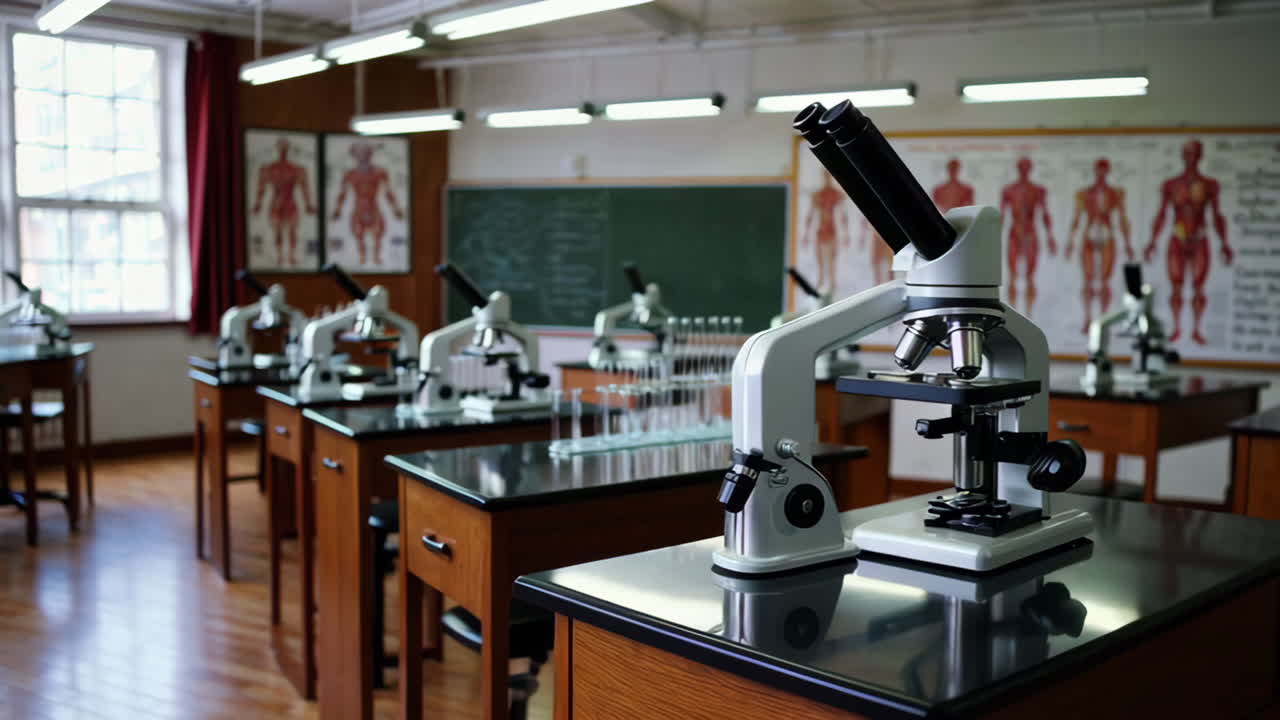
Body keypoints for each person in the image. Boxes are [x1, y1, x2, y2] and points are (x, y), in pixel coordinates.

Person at [1145, 139, 1232, 345]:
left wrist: (1224, 243)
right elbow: (1161, 214)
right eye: (1187, 153)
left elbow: (1217, 215)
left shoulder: (1210, 185)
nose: (1190, 157)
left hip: (1200, 238)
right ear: (1183, 155)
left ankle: (1196, 330)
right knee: (1176, 286)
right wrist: (1152, 241)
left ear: (1200, 156)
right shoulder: (1171, 185)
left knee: (1199, 287)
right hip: (1178, 237)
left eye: (1194, 153)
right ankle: (1176, 328)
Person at [1066, 158, 1133, 333]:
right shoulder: (1084, 193)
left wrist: (1128, 244)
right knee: (1088, 280)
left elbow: (1123, 218)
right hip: (1089, 234)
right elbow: (1077, 218)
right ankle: (1087, 319)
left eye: (1104, 170)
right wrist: (1070, 242)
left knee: (1105, 281)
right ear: (1095, 171)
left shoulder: (1116, 193)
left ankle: (1102, 320)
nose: (1101, 173)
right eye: (1099, 169)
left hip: (1107, 235)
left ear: (1108, 171)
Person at [331, 143, 404, 267]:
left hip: (374, 208)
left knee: (377, 236)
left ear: (370, 154)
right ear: (354, 155)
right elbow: (342, 193)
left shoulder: (380, 172)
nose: (363, 156)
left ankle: (377, 260)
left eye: (366, 153)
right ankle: (362, 260)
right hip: (358, 209)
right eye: (360, 153)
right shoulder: (349, 174)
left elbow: (388, 192)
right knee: (359, 236)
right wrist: (338, 209)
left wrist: (395, 209)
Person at [999, 157, 1056, 315]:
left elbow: (1045, 214)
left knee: (1030, 276)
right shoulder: (1009, 190)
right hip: (1014, 234)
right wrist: (994, 238)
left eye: (1026, 167)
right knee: (1013, 275)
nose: (1024, 170)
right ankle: (1013, 314)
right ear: (1018, 169)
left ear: (1030, 169)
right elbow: (1002, 215)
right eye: (1022, 167)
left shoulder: (1038, 190)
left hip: (1031, 235)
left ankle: (1029, 314)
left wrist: (1050, 237)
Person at [251, 138, 316, 267]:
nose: (283, 150)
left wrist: (308, 205)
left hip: (290, 203)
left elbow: (305, 189)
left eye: (285, 148)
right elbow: (260, 189)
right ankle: (280, 257)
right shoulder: (269, 168)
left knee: (292, 231)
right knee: (278, 232)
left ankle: (291, 257)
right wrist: (258, 205)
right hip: (276, 204)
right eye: (282, 148)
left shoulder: (297, 169)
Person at [801, 172, 850, 292]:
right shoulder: (818, 194)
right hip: (821, 229)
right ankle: (821, 281)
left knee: (832, 258)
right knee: (820, 258)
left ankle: (833, 283)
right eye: (826, 176)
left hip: (832, 229)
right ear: (823, 177)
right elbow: (810, 214)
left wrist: (846, 234)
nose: (827, 179)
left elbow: (843, 214)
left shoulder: (835, 194)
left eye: (829, 177)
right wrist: (806, 235)